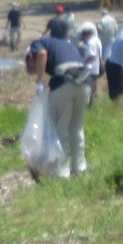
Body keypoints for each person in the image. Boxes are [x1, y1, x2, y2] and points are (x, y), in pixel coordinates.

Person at [26, 17, 90, 175]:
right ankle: (79, 168)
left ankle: (61, 172)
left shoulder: (43, 41)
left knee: (60, 129)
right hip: (85, 83)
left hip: (63, 83)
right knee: (77, 128)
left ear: (49, 30)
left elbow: (41, 54)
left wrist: (40, 82)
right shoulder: (70, 45)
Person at [76, 22, 105, 109]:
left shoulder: (90, 43)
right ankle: (93, 104)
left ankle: (90, 105)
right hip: (97, 67)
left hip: (90, 69)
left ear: (86, 35)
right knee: (93, 87)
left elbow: (92, 56)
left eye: (83, 37)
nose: (82, 39)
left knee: (89, 88)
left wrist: (83, 63)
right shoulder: (97, 40)